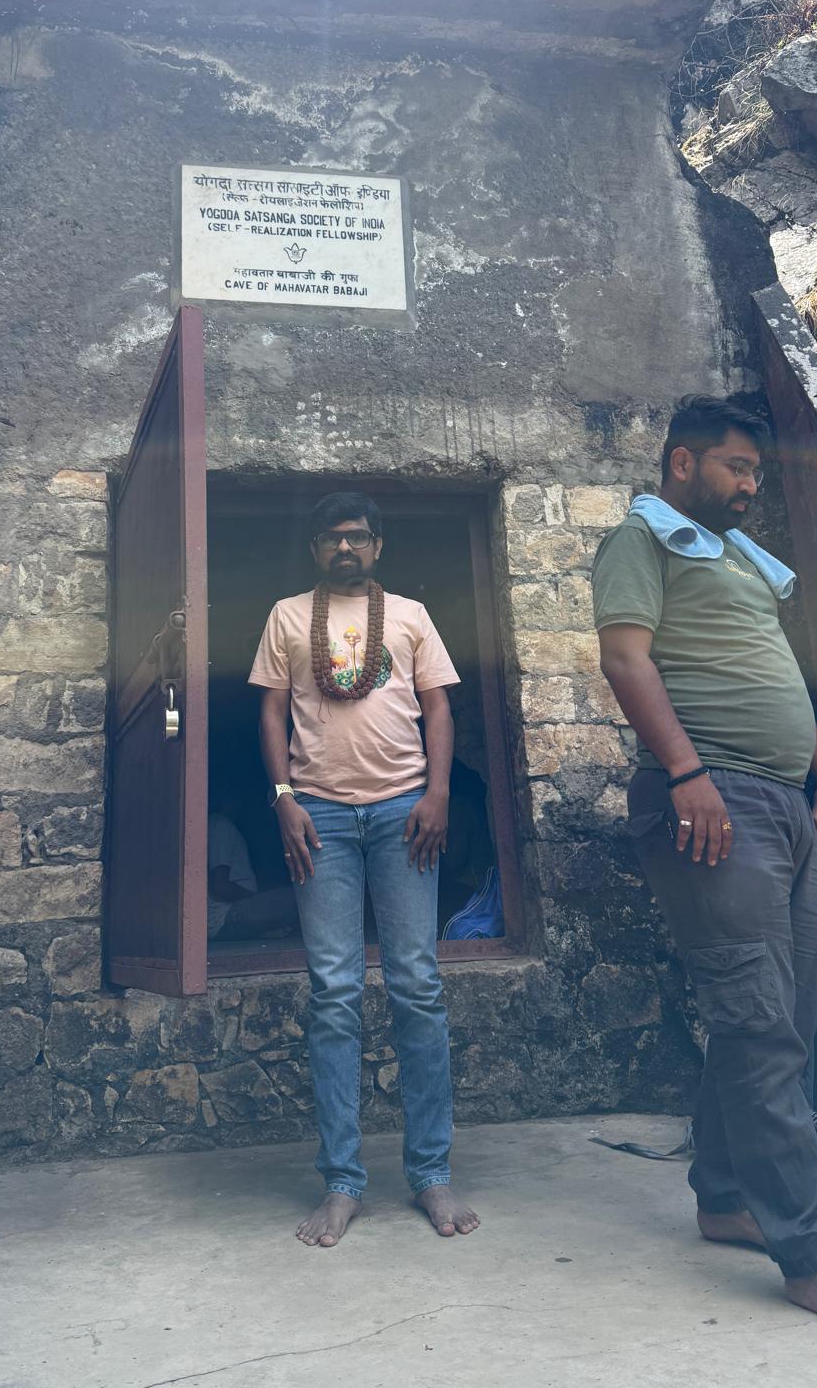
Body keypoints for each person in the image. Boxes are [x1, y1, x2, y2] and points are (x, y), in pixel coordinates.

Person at [593, 394, 817, 1339]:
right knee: (757, 1020)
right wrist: (687, 774)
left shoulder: (740, 561)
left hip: (781, 803)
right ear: (681, 463)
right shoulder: (643, 539)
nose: (750, 485)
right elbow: (627, 660)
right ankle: (814, 1258)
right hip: (713, 799)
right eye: (736, 468)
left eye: (755, 471)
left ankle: (727, 1198)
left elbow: (777, 678)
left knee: (781, 1016)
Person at [249, 491, 479, 1247]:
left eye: (357, 538)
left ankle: (432, 1175)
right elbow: (272, 712)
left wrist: (438, 793)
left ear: (377, 546)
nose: (345, 548)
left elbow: (439, 707)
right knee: (335, 992)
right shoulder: (287, 615)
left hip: (403, 814)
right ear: (315, 548)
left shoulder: (410, 615)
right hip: (319, 819)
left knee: (416, 984)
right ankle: (343, 1182)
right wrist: (283, 798)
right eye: (331, 539)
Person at [206, 806, 297, 944]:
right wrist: (255, 898)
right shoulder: (220, 825)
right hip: (226, 916)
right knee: (299, 895)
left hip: (226, 916)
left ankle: (261, 933)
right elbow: (220, 886)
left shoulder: (222, 826)